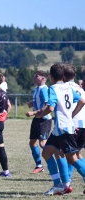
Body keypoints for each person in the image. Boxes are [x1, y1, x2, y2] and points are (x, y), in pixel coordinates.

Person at [35, 64, 85, 195]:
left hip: (63, 129)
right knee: (46, 153)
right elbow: (82, 101)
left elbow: (50, 108)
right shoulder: (68, 87)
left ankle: (64, 183)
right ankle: (58, 185)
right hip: (59, 129)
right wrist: (71, 115)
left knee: (72, 159)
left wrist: (40, 114)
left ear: (51, 76)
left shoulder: (53, 88)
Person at [25, 70, 52, 173]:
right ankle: (39, 166)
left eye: (37, 76)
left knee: (42, 143)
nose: (34, 78)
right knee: (32, 142)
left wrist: (34, 112)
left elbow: (46, 106)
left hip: (44, 119)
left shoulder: (44, 89)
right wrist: (33, 102)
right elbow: (40, 102)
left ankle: (56, 159)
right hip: (37, 119)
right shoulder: (36, 89)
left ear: (43, 79)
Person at [63, 64, 85, 182]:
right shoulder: (80, 88)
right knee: (76, 154)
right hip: (83, 124)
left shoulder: (63, 88)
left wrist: (70, 117)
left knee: (70, 155)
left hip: (73, 124)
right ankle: (67, 179)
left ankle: (67, 179)